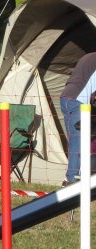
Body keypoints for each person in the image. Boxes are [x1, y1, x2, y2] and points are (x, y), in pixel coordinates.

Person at [60, 52, 96, 186]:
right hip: (78, 101)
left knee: (75, 140)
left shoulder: (88, 56)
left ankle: (73, 176)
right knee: (79, 141)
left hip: (66, 98)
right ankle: (71, 179)